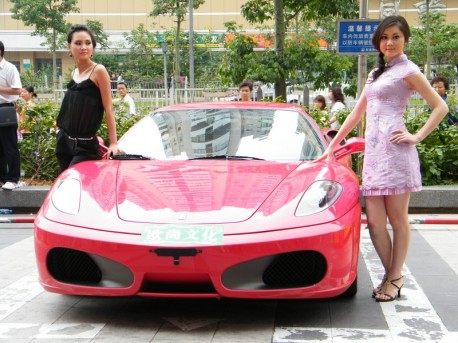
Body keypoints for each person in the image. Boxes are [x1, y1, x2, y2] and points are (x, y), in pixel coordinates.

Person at [319, 16, 448, 302]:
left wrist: (417, 136)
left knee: (398, 220)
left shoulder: (409, 70)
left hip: (397, 152)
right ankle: (394, 275)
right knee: (376, 222)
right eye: (385, 37)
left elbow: (439, 106)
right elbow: (356, 114)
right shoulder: (377, 73)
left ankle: (394, 277)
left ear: (405, 40)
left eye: (396, 37)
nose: (389, 42)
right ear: (378, 41)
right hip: (375, 155)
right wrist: (332, 145)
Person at [56, 24, 118, 172]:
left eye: (88, 43)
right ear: (69, 47)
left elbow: (108, 108)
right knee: (66, 186)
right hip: (64, 142)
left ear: (93, 47)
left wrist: (114, 143)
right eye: (78, 43)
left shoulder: (99, 71)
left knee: (73, 182)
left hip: (85, 146)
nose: (83, 47)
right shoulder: (74, 73)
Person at [0, 41, 23, 191]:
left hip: (6, 110)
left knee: (9, 146)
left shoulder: (9, 68)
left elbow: (18, 90)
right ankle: (1, 178)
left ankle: (13, 178)